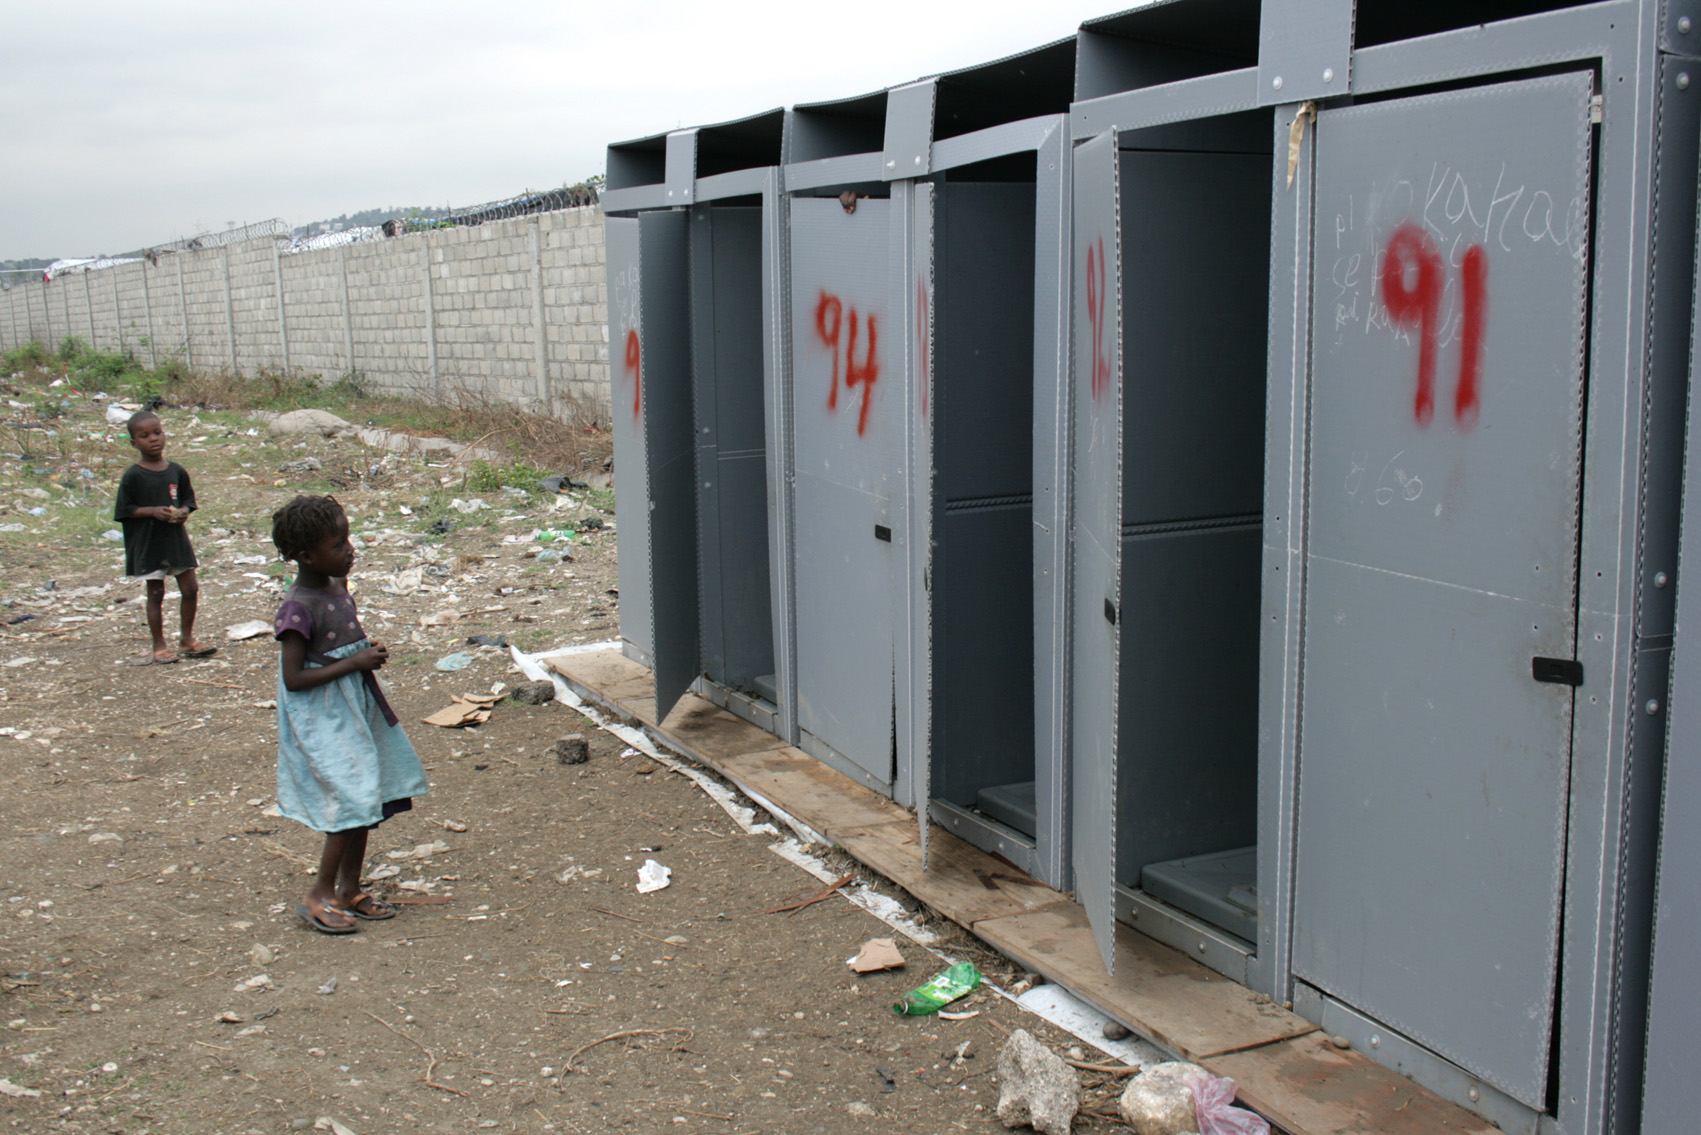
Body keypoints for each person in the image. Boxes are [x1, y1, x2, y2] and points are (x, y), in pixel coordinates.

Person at [270, 494, 428, 934]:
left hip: (355, 705)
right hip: (323, 715)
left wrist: (362, 653)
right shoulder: (298, 607)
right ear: (306, 556)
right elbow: (294, 678)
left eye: (348, 540)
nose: (350, 550)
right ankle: (318, 893)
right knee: (352, 796)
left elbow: (339, 644)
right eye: (339, 545)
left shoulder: (336, 589)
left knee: (369, 793)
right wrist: (353, 664)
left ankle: (348, 889)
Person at [114, 410, 216, 665]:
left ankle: (187, 639)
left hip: (175, 539)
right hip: (148, 544)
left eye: (157, 433)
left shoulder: (176, 471)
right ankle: (159, 645)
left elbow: (188, 500)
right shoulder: (133, 475)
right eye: (145, 435)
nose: (153, 439)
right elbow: (124, 510)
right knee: (156, 592)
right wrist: (152, 512)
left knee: (190, 588)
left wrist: (183, 512)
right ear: (133, 443)